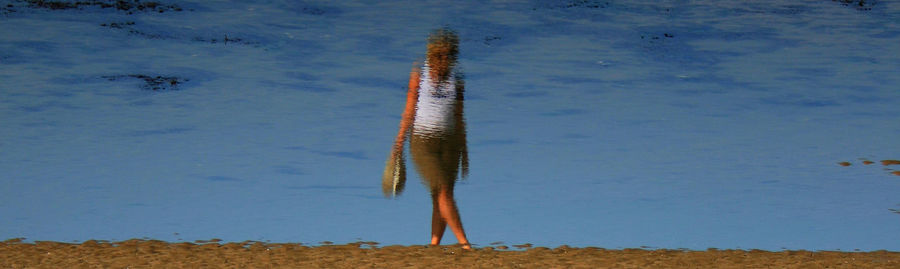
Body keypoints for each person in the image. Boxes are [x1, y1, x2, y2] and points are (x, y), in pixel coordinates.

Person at [383, 28, 470, 249]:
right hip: (423, 142)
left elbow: (459, 115)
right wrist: (398, 144)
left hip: (450, 142)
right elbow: (409, 110)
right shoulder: (419, 75)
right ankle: (464, 243)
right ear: (431, 54)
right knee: (442, 190)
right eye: (439, 54)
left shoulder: (457, 79)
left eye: (449, 55)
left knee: (440, 195)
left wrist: (464, 149)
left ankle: (434, 245)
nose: (444, 59)